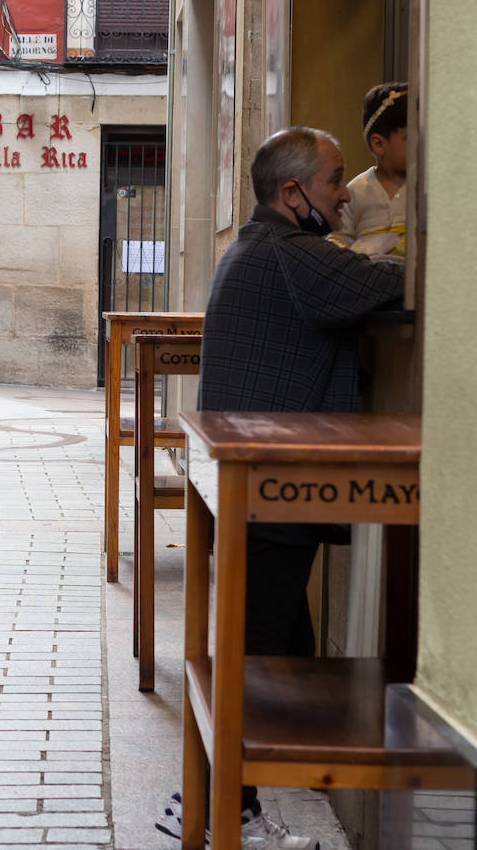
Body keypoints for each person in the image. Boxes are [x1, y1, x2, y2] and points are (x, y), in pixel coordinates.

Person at [156, 127, 404, 848]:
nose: (342, 192)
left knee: (280, 657)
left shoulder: (259, 246)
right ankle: (211, 806)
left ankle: (225, 806)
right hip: (270, 484)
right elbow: (385, 285)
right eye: (333, 181)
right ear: (293, 194)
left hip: (256, 481)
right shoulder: (294, 254)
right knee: (260, 656)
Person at [329, 82, 407, 262]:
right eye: (409, 138)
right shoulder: (356, 191)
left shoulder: (425, 187)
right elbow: (339, 237)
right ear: (379, 144)